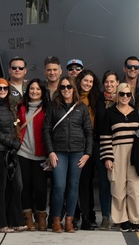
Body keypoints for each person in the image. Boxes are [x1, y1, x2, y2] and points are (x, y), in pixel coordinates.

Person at [44, 76, 93, 233]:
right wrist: (50, 152)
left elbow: (88, 132)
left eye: (69, 87)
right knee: (59, 186)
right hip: (59, 152)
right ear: (59, 89)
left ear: (74, 89)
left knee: (73, 187)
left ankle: (69, 220)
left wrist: (87, 154)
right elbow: (46, 130)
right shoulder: (54, 107)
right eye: (63, 87)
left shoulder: (82, 108)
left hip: (78, 152)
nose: (66, 89)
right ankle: (56, 220)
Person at [100, 83, 139, 232]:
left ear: (131, 96)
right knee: (118, 187)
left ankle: (135, 220)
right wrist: (108, 157)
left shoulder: (137, 113)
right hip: (117, 152)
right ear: (117, 95)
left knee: (135, 189)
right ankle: (122, 220)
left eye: (128, 94)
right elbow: (105, 136)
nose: (125, 97)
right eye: (122, 94)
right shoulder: (110, 113)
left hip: (134, 153)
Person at [0, 78, 24, 233]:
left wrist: (15, 142)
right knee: (1, 187)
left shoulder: (9, 107)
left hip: (10, 151)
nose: (2, 91)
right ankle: (0, 223)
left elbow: (14, 127)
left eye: (5, 88)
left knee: (16, 185)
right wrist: (11, 143)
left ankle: (14, 220)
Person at [17, 79, 50, 231]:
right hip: (23, 152)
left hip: (41, 154)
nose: (34, 91)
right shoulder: (21, 107)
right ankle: (28, 217)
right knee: (25, 186)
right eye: (32, 89)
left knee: (40, 188)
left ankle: (41, 216)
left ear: (42, 91)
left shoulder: (47, 108)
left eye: (38, 89)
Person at [75, 69, 102, 230]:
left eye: (91, 82)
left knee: (86, 182)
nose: (88, 84)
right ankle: (74, 214)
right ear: (79, 81)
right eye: (85, 81)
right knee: (73, 183)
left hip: (89, 143)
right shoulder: (72, 97)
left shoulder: (94, 99)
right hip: (73, 143)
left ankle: (87, 215)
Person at [94, 71, 120, 229]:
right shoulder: (98, 100)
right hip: (101, 144)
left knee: (118, 183)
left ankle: (118, 215)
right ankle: (105, 216)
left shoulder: (124, 98)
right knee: (104, 182)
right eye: (107, 82)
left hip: (119, 145)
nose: (109, 85)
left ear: (117, 82)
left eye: (112, 82)